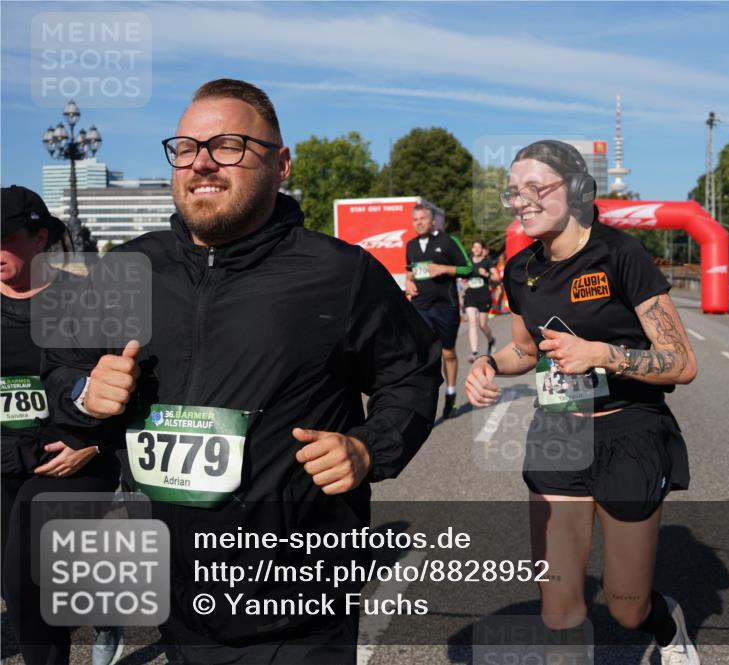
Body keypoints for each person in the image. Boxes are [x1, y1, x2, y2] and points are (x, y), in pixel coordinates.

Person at [41, 79, 442, 664]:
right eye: (185, 148)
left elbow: (411, 375)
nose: (201, 163)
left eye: (228, 145)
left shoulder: (340, 274)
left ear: (281, 165)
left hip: (298, 607)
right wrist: (84, 394)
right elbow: (62, 369)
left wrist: (368, 448)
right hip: (176, 600)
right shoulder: (129, 269)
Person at [465, 141, 700, 664]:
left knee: (627, 608)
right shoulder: (520, 269)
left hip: (629, 432)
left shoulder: (620, 255)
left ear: (574, 189)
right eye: (513, 191)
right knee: (559, 609)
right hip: (558, 432)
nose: (521, 201)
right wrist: (488, 365)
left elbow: (682, 363)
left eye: (535, 188)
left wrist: (601, 354)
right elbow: (525, 349)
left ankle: (667, 624)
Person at [1, 185, 124, 665]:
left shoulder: (87, 300)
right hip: (6, 458)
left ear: (40, 237)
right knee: (17, 580)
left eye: (6, 238)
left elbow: (130, 385)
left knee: (25, 581)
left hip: (73, 458)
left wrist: (96, 444)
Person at [405, 204, 472, 419]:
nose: (419, 222)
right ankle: (422, 399)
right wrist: (408, 282)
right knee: (422, 354)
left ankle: (450, 394)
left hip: (445, 306)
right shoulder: (410, 245)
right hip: (420, 307)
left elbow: (468, 268)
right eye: (415, 219)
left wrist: (444, 268)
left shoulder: (448, 241)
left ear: (433, 220)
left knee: (447, 353)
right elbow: (410, 271)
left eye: (423, 218)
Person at [462, 238, 499, 363]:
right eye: (474, 247)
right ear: (472, 249)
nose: (476, 249)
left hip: (483, 295)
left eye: (479, 247)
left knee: (482, 325)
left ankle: (491, 340)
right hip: (470, 295)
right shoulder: (468, 262)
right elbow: (463, 277)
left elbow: (497, 277)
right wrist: (464, 283)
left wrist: (486, 274)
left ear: (482, 249)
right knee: (472, 322)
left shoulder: (487, 262)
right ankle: (475, 353)